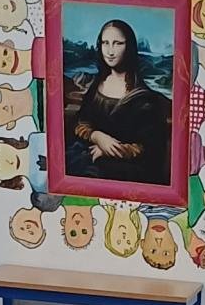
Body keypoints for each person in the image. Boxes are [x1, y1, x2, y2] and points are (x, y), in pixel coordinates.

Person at [66, 17, 172, 188]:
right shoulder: (98, 84)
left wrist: (108, 150)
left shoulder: (145, 99)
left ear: (129, 47)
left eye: (118, 43)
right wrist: (97, 136)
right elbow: (80, 122)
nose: (110, 51)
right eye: (105, 43)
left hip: (128, 170)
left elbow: (149, 149)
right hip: (91, 154)